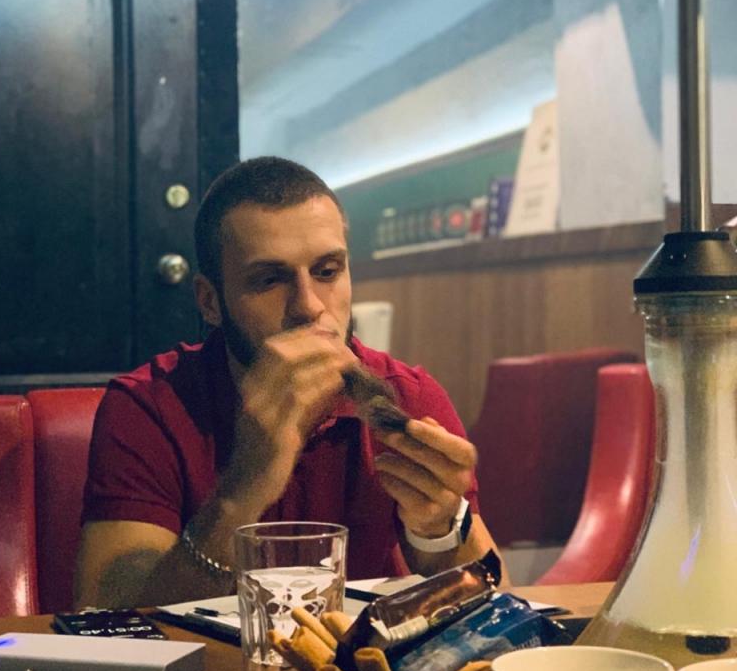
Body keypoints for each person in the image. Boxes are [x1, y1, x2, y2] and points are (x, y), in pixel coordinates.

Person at [75, 157, 504, 608]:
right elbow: (110, 614)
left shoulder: (405, 396)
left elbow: (497, 607)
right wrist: (243, 489)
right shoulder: (149, 407)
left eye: (327, 271)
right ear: (210, 302)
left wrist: (440, 526)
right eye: (269, 280)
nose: (309, 306)